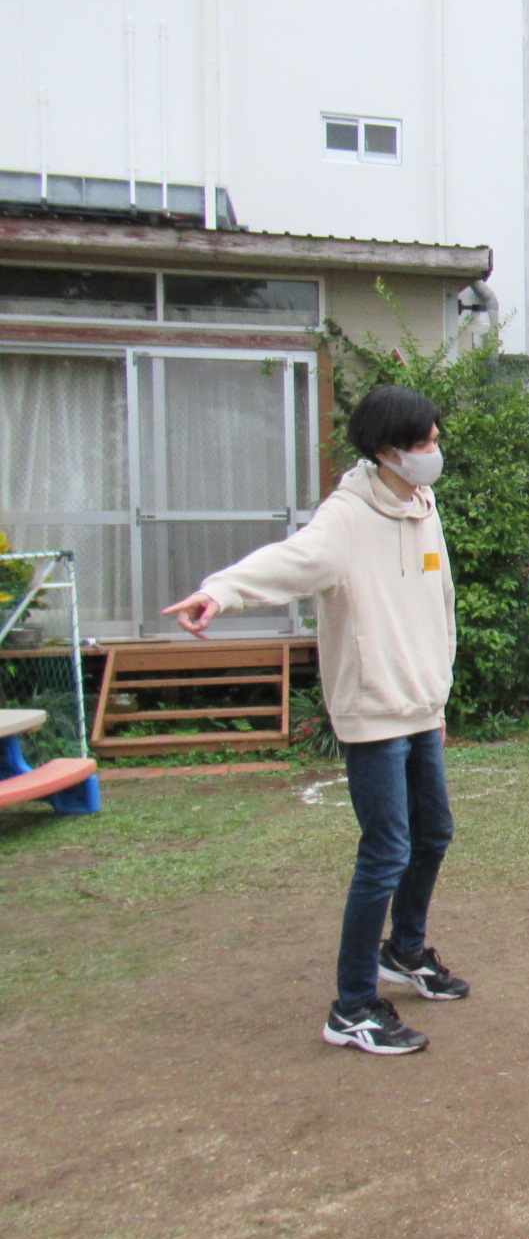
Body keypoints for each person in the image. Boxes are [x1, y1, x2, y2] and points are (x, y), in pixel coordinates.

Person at [162, 385, 467, 1055]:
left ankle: (404, 950)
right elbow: (288, 562)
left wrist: (437, 700)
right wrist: (220, 592)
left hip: (420, 706)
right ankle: (353, 1007)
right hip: (373, 711)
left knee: (434, 834)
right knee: (386, 852)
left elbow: (437, 603)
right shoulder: (345, 519)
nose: (435, 449)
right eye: (424, 442)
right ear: (387, 451)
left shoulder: (423, 504)